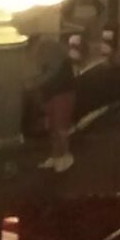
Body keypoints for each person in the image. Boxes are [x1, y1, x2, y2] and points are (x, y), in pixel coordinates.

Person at [38, 36, 78, 172]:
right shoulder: (54, 55)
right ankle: (56, 155)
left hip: (61, 93)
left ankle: (65, 155)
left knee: (60, 127)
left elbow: (49, 74)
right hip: (54, 93)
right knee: (55, 127)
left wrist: (36, 83)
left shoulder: (51, 56)